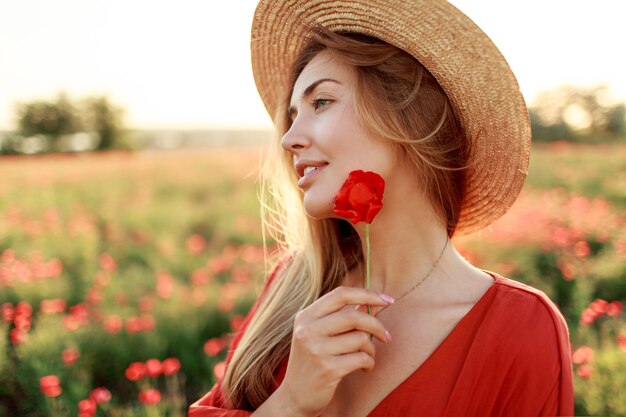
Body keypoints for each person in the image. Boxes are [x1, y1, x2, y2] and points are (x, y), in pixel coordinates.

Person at [190, 0, 574, 416]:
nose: (289, 139)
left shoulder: (520, 328)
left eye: (321, 102)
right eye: (292, 115)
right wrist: (290, 402)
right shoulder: (292, 288)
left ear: (407, 115)